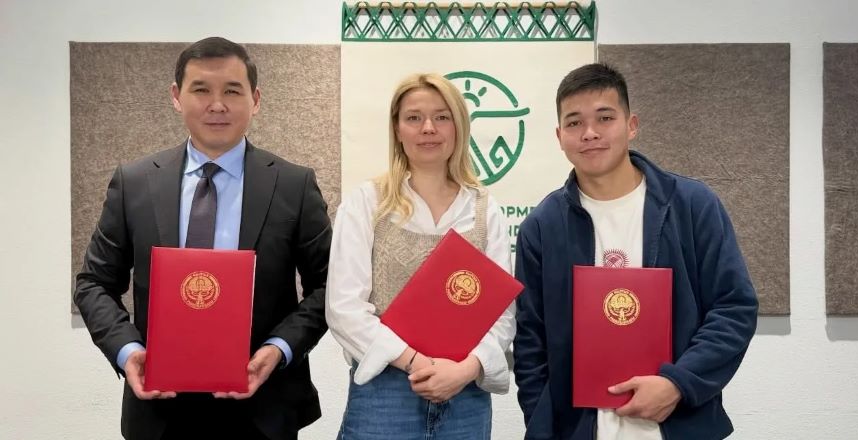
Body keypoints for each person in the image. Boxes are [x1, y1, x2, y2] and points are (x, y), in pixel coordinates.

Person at [74, 37, 332, 440]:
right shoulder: (135, 183)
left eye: (232, 91)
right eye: (201, 90)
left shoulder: (293, 185)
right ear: (176, 97)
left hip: (264, 409)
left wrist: (279, 348)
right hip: (159, 410)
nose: (217, 104)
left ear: (255, 99)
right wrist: (129, 352)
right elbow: (94, 284)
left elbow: (329, 286)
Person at [513, 63, 758, 439]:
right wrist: (542, 424)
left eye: (605, 118)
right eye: (575, 123)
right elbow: (531, 342)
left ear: (631, 125)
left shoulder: (692, 205)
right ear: (560, 137)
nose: (590, 133)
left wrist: (678, 383)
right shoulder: (542, 228)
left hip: (680, 426)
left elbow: (733, 309)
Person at [325, 73, 515, 439]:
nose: (428, 128)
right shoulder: (367, 203)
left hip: (465, 394)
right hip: (385, 394)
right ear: (397, 129)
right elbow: (344, 307)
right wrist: (415, 361)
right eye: (414, 117)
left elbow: (503, 313)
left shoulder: (484, 209)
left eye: (442, 117)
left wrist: (465, 369)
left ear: (459, 127)